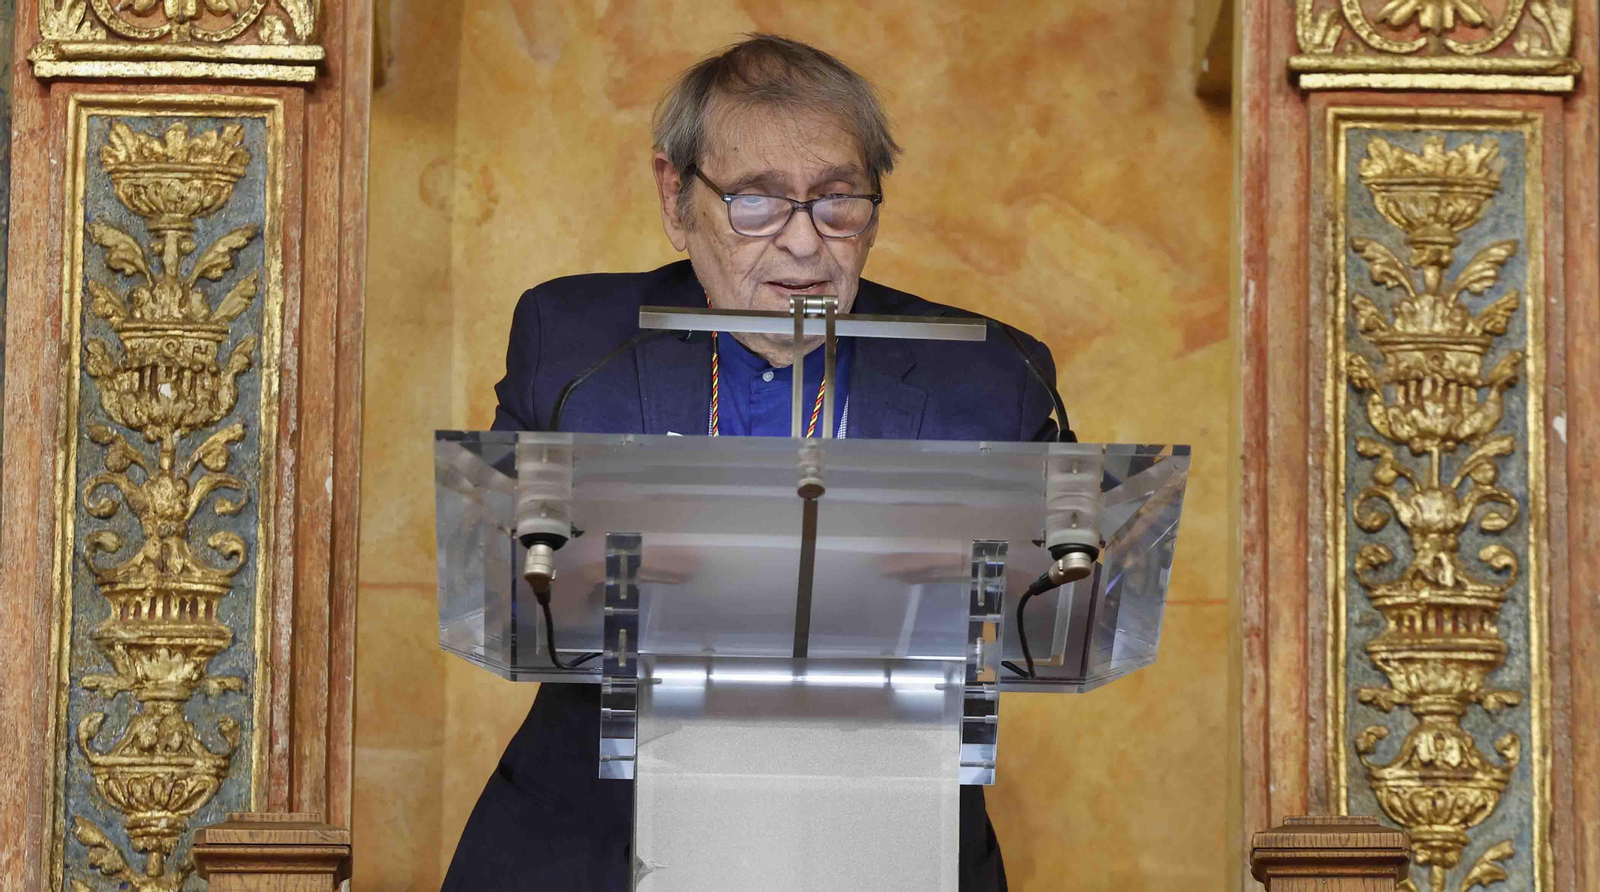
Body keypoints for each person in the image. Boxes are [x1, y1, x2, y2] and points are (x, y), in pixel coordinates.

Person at [441, 34, 1067, 892]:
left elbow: (1062, 598)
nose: (806, 245)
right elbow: (510, 573)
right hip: (596, 832)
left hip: (884, 832)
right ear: (675, 195)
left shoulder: (990, 372)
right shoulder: (573, 340)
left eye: (838, 200)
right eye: (758, 204)